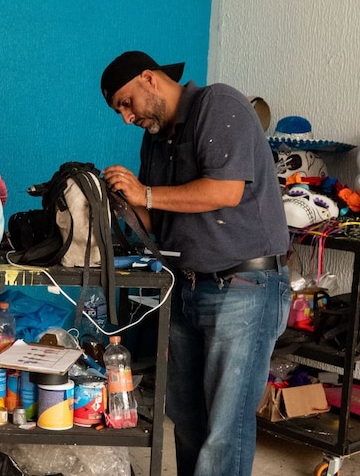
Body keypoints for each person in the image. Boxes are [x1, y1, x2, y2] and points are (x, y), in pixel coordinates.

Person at [98, 51, 290, 476]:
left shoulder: (219, 105)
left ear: (149, 78)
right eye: (119, 112)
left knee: (225, 428)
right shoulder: (155, 138)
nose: (127, 118)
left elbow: (224, 192)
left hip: (245, 285)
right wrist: (120, 202)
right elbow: (160, 220)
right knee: (186, 420)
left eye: (126, 104)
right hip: (186, 287)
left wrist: (144, 193)